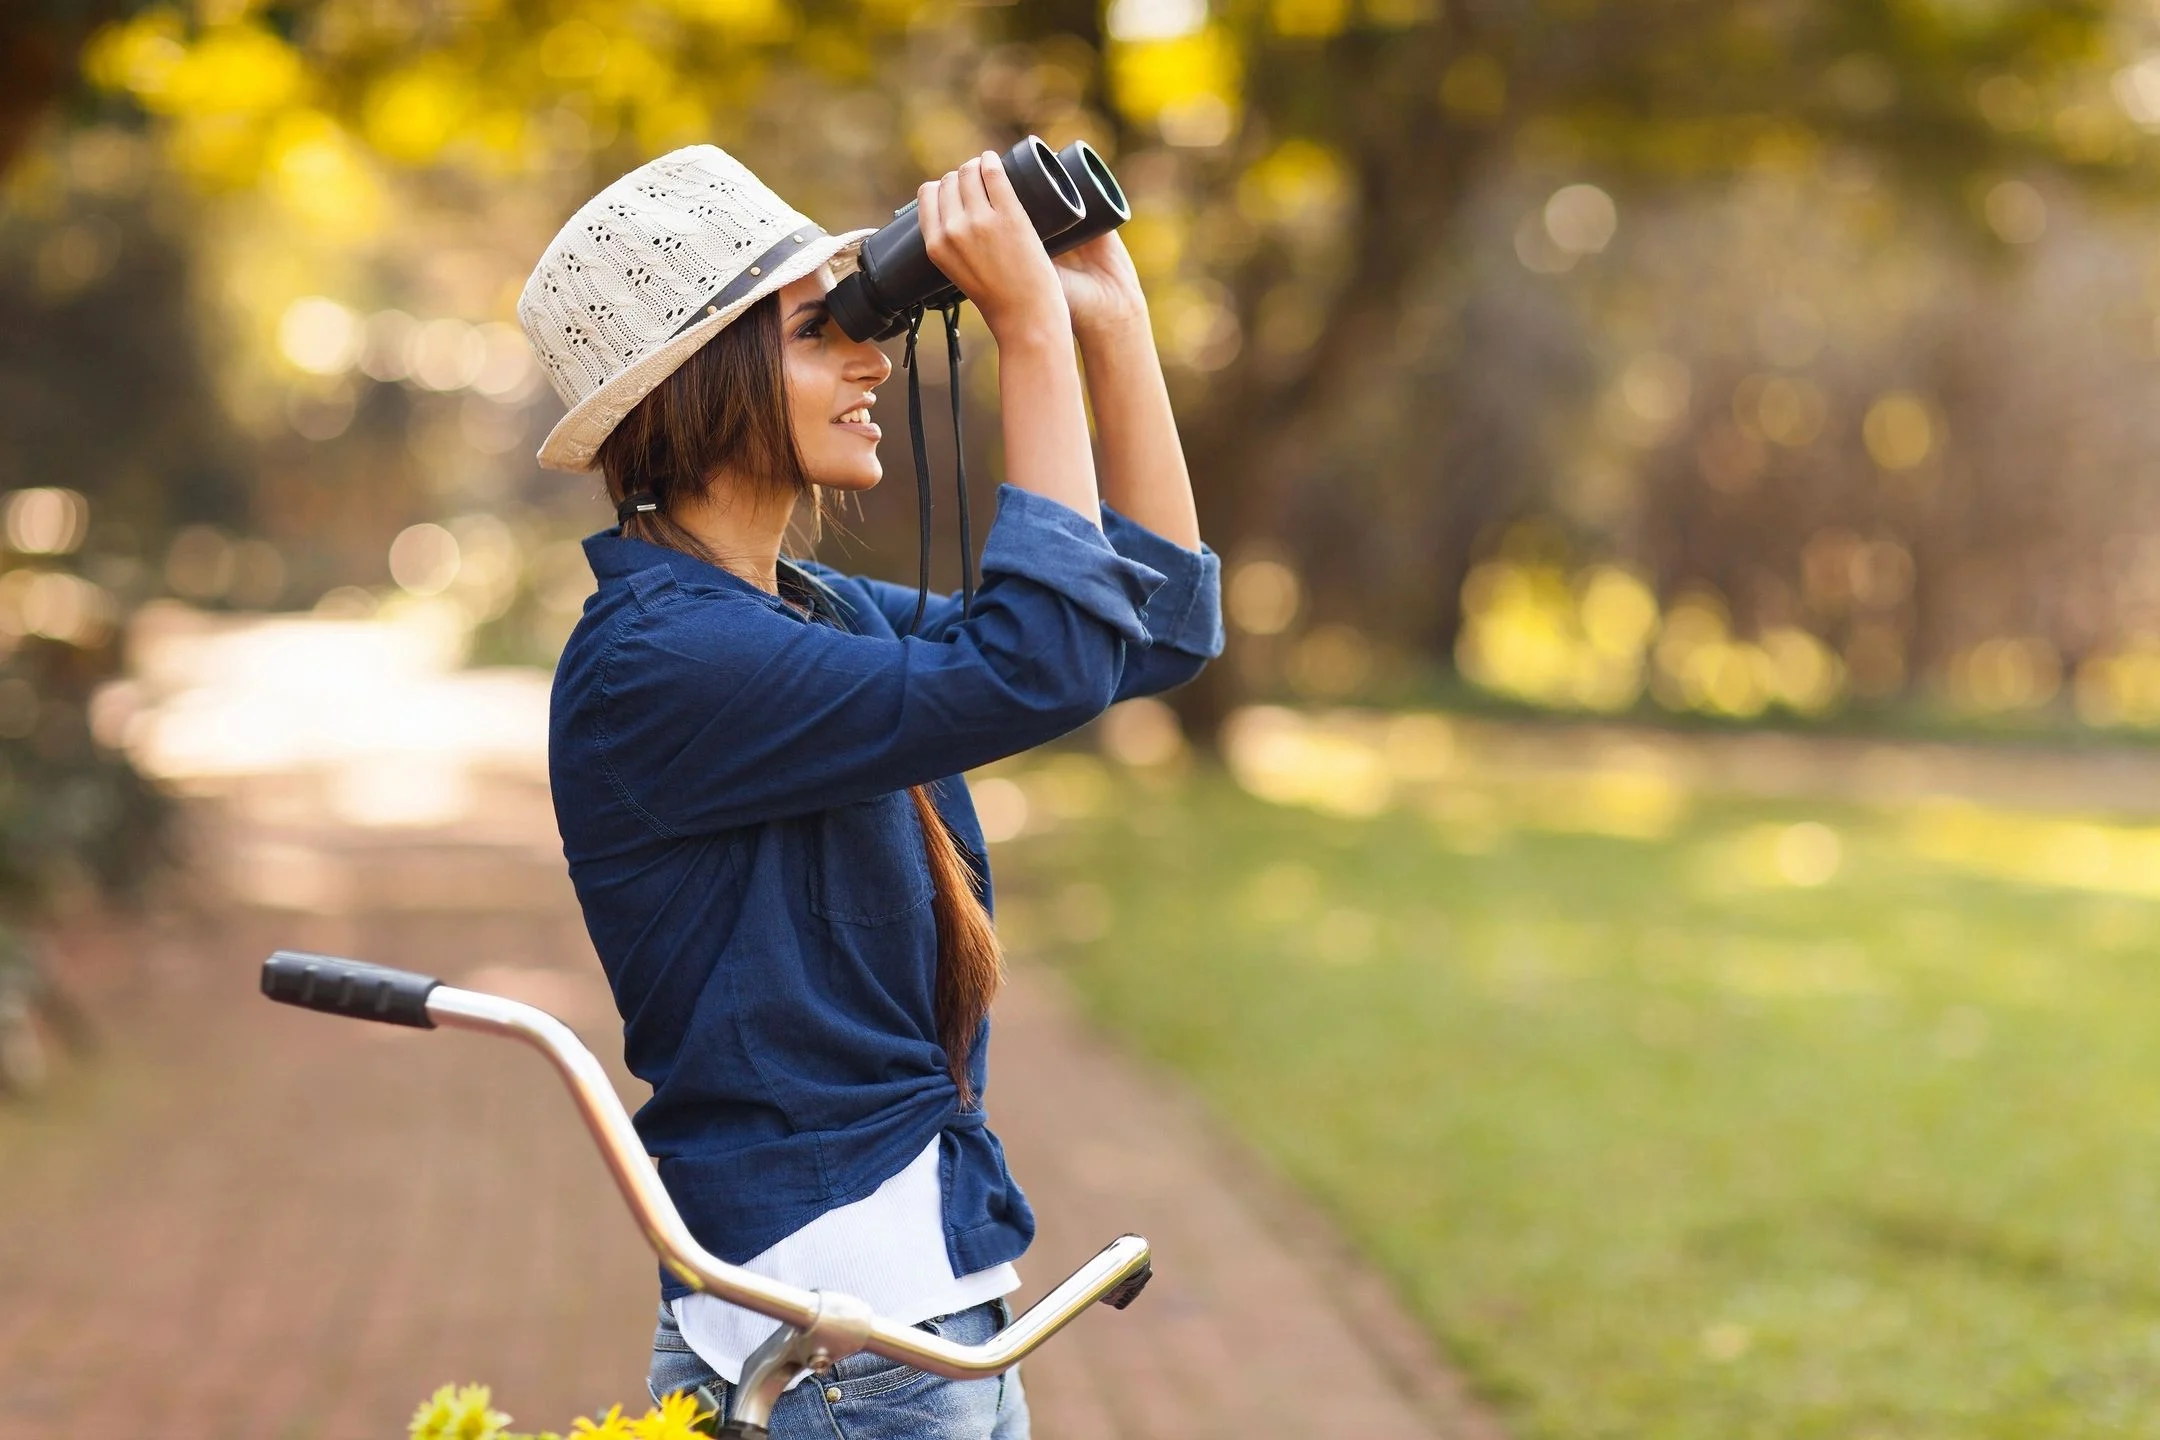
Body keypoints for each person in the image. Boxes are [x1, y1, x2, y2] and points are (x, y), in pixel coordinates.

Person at [518, 142, 1222, 1440]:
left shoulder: (800, 613)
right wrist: (1021, 329)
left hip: (909, 1309)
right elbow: (1039, 661)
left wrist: (1111, 329)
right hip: (828, 1324)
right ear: (695, 384)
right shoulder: (660, 663)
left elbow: (1154, 631)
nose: (872, 357)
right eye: (816, 330)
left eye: (863, 315)